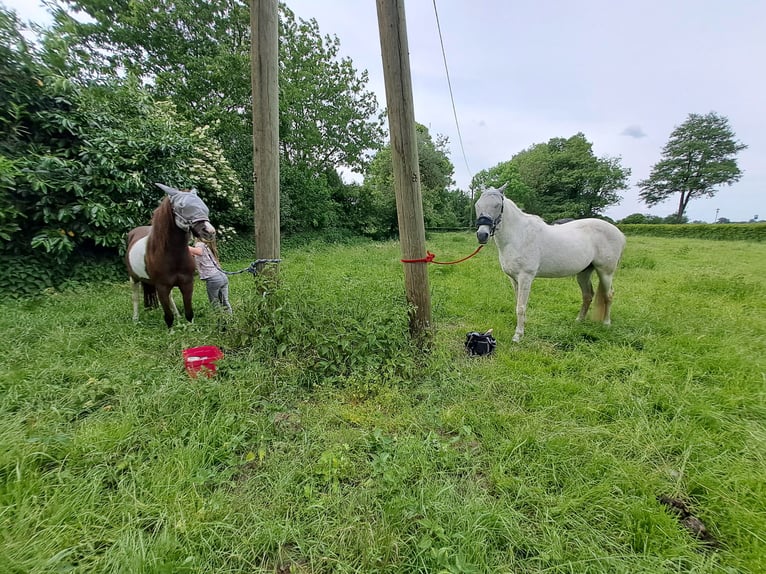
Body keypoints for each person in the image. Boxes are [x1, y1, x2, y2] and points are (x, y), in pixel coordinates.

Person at [189, 238, 233, 313]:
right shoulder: (206, 246)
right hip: (222, 276)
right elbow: (197, 255)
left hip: (213, 279)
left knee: (215, 303)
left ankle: (220, 322)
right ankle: (230, 319)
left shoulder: (199, 244)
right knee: (225, 301)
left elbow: (199, 252)